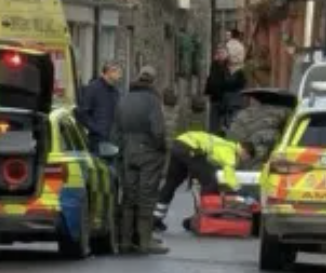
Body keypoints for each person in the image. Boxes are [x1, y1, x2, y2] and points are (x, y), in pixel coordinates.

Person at [153, 132, 255, 248]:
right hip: (191, 148)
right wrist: (239, 190)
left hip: (179, 144)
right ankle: (205, 219)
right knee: (210, 180)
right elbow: (229, 174)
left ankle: (155, 219)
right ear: (244, 152)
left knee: (171, 183)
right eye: (246, 158)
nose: (244, 161)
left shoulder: (225, 144)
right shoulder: (230, 151)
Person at [111, 66, 168, 254]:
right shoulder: (152, 101)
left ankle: (125, 240)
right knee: (147, 195)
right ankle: (145, 240)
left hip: (127, 151)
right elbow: (158, 130)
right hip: (149, 152)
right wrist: (161, 148)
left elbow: (115, 130)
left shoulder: (123, 99)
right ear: (152, 82)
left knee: (129, 195)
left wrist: (121, 151)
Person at [76, 61, 122, 150]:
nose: (120, 76)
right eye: (118, 73)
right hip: (98, 141)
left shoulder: (115, 91)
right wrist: (97, 129)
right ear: (109, 72)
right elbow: (82, 113)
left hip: (113, 140)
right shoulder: (93, 88)